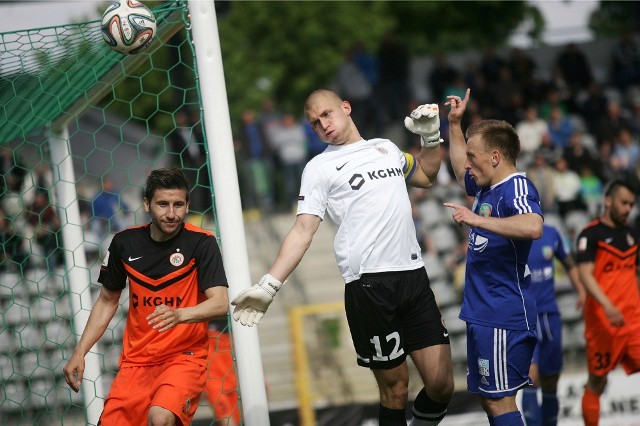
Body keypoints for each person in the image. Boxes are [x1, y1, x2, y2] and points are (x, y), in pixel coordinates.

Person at [232, 89, 454, 425]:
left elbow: (426, 175)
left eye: (327, 115)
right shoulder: (319, 168)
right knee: (396, 390)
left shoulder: (386, 148)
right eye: (314, 123)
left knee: (441, 385)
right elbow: (302, 230)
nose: (323, 125)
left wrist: (431, 138)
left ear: (345, 108)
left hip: (414, 275)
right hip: (369, 286)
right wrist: (269, 284)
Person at [63, 168, 229, 426]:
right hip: (135, 363)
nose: (171, 213)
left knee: (160, 418)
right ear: (146, 204)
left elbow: (220, 302)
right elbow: (107, 300)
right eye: (163, 204)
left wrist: (180, 315)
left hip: (183, 357)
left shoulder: (202, 242)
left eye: (178, 205)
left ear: (187, 206)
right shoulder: (123, 243)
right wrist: (80, 351)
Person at [444, 88, 544, 426]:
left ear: (496, 157)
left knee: (500, 401)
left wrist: (476, 219)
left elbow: (533, 226)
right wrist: (454, 125)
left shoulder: (517, 186)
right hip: (484, 310)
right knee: (492, 400)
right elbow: (460, 170)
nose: (469, 163)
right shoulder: (487, 185)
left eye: (475, 156)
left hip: (504, 312)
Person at [575, 179, 640, 426]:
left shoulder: (633, 234)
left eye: (631, 205)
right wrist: (608, 305)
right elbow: (585, 274)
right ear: (608, 201)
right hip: (603, 323)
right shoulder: (591, 234)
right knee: (597, 382)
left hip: (633, 320)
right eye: (624, 203)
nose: (627, 209)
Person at [521, 224, 586, 426]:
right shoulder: (514, 232)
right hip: (524, 317)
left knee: (551, 381)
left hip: (550, 315)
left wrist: (581, 291)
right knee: (531, 378)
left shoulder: (552, 233)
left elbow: (569, 263)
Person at [204, 318, 240, 426]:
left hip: (234, 379)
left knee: (237, 420)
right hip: (214, 382)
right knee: (227, 421)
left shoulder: (235, 322)